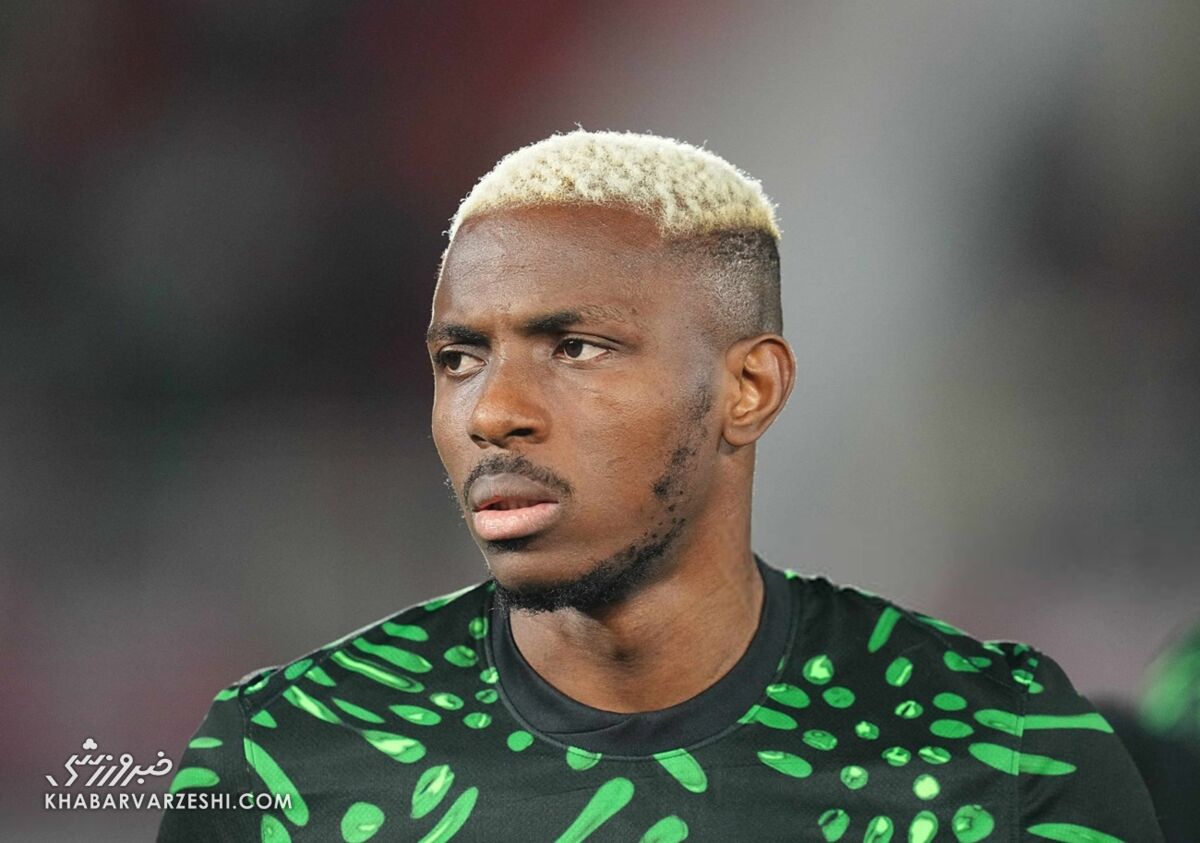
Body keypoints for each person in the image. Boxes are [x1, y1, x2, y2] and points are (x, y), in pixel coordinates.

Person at [158, 130, 1162, 842]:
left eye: (577, 347)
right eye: (460, 357)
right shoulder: (283, 756)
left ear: (748, 389)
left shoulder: (1004, 747)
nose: (493, 411)